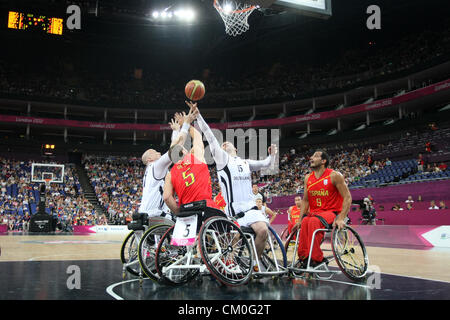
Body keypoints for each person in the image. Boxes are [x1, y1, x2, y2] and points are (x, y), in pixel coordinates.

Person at [192, 101, 277, 264]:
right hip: (233, 211)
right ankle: (229, 263)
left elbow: (266, 163)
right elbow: (210, 136)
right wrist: (199, 116)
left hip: (251, 209)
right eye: (222, 143)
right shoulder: (222, 159)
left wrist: (272, 155)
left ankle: (254, 264)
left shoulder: (245, 162)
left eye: (227, 142)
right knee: (234, 238)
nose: (224, 143)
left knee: (263, 231)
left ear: (236, 150)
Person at [163, 102, 223, 218]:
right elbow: (198, 137)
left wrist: (178, 212)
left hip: (186, 212)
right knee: (233, 231)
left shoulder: (170, 174)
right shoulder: (197, 158)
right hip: (205, 207)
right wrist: (187, 124)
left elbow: (166, 197)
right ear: (185, 152)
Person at [293, 150, 352, 267]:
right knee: (305, 222)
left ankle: (316, 258)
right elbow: (305, 200)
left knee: (314, 221)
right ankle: (304, 257)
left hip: (331, 212)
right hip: (315, 213)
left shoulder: (334, 175)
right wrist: (299, 220)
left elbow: (348, 197)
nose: (311, 158)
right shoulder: (307, 178)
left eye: (315, 156)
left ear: (323, 161)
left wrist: (341, 218)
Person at [138, 112, 188, 220]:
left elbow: (172, 149)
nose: (159, 152)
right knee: (182, 220)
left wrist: (175, 131)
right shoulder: (156, 166)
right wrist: (185, 126)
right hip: (155, 213)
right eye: (155, 152)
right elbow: (174, 151)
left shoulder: (151, 169)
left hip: (144, 212)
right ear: (150, 159)